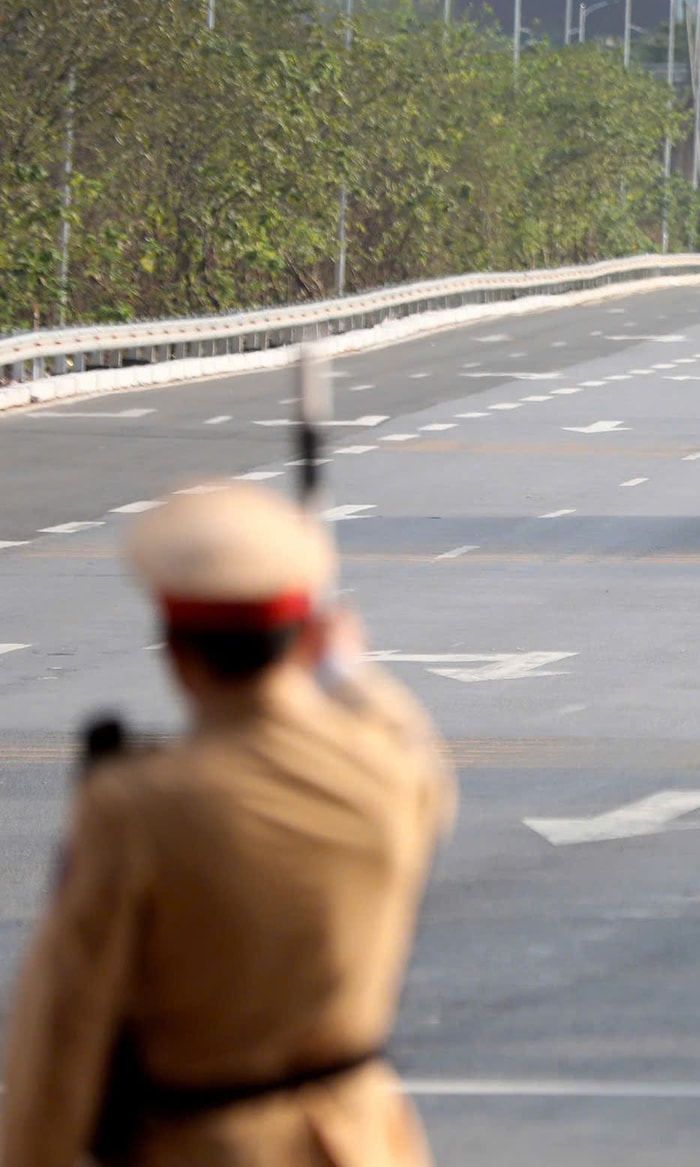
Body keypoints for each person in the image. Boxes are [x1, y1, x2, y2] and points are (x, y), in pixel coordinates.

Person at [2, 483, 455, 1166]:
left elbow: (65, 1021)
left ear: (176, 653)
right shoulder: (386, 777)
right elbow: (413, 751)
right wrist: (348, 675)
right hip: (359, 1141)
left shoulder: (137, 810)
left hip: (205, 1144)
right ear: (307, 640)